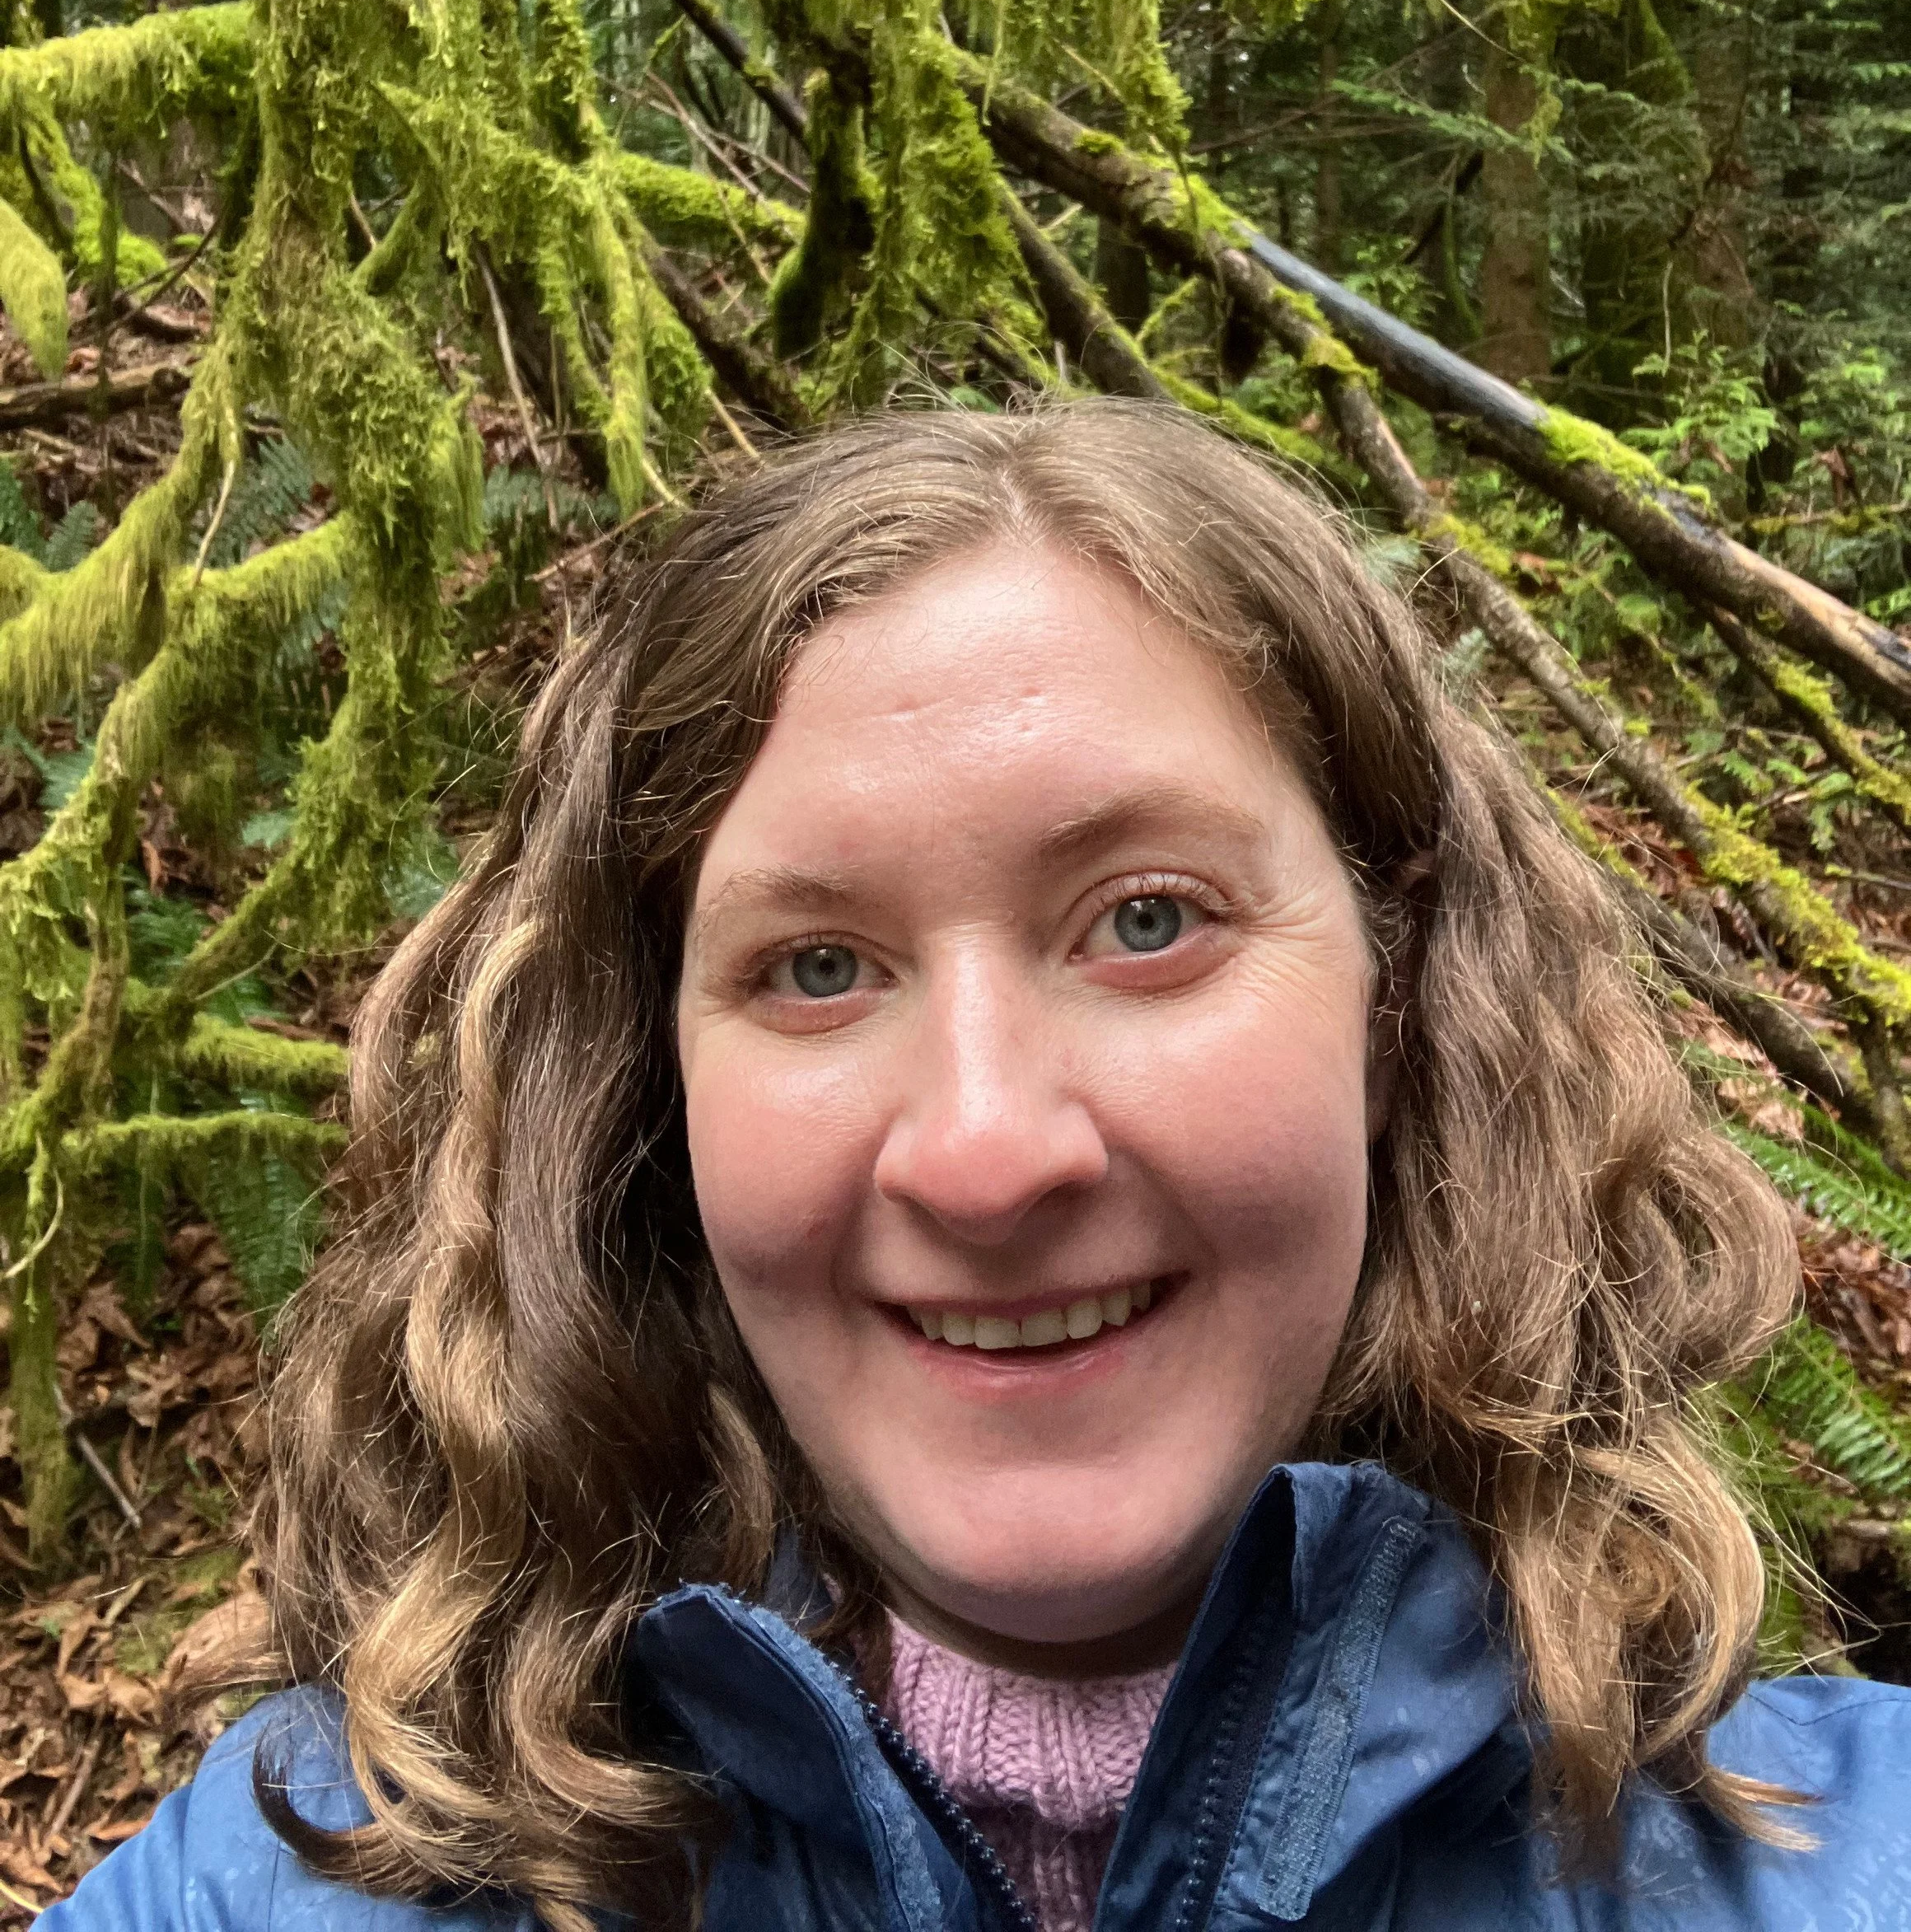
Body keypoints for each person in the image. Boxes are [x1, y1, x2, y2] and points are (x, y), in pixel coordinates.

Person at [43, 400, 1911, 1932]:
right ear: (645, 1092)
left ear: (1399, 995)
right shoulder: (278, 1888)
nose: (987, 1150)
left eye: (1148, 919)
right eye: (817, 966)